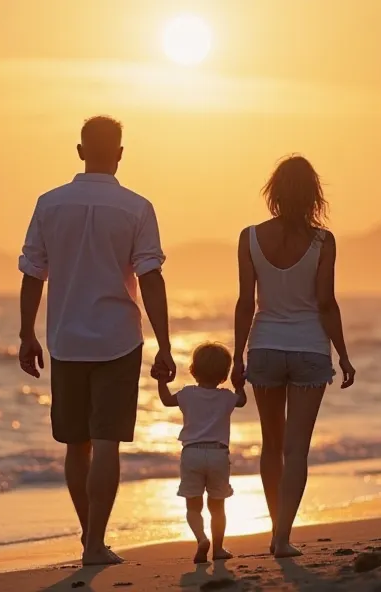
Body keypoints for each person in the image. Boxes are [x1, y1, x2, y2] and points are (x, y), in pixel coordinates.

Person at [18, 116, 176, 566]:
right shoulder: (136, 207)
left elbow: (33, 273)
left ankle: (90, 537)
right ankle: (93, 544)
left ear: (80, 150)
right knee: (106, 442)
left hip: (65, 338)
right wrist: (164, 343)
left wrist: (26, 333)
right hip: (118, 340)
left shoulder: (49, 204)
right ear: (120, 154)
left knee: (76, 444)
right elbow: (150, 276)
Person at [231, 155, 356, 558]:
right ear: (313, 195)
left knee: (272, 446)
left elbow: (244, 304)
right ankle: (282, 537)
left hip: (264, 347)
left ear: (275, 192)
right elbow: (325, 303)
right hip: (308, 350)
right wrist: (344, 355)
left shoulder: (249, 237)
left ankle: (275, 526)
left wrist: (236, 357)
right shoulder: (323, 241)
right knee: (296, 449)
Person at [157, 342, 247, 564]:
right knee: (217, 506)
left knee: (193, 506)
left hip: (192, 453)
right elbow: (242, 401)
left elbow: (167, 400)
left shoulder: (187, 394)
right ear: (224, 374)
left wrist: (161, 381)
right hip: (218, 454)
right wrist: (239, 385)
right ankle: (218, 549)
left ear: (193, 370)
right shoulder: (227, 397)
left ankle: (201, 539)